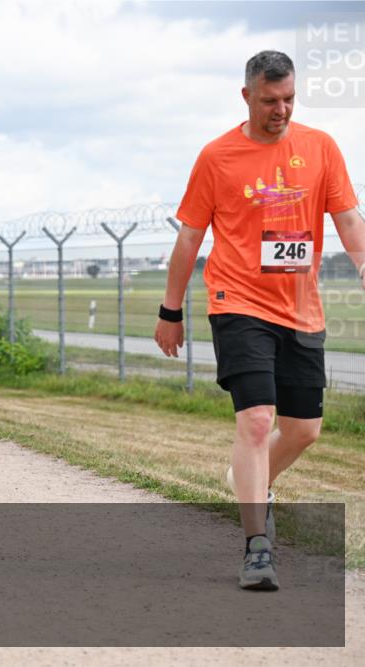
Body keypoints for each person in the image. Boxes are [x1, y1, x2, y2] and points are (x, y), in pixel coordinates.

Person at [155, 51, 365, 591]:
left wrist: (364, 262)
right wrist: (170, 310)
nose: (282, 109)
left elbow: (346, 216)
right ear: (246, 96)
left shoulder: (320, 147)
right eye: (271, 100)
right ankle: (257, 547)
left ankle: (248, 481)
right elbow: (189, 237)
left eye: (290, 98)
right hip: (238, 301)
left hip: (300, 306)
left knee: (303, 430)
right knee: (254, 421)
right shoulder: (217, 156)